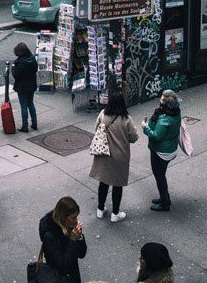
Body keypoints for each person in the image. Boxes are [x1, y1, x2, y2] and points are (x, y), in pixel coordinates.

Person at [89, 89, 139, 223]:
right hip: (120, 156)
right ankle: (115, 213)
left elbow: (96, 130)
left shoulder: (102, 114)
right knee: (117, 185)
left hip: (103, 154)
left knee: (103, 182)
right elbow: (134, 138)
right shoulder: (127, 119)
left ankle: (100, 210)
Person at [142, 88, 181, 213]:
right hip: (170, 149)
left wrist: (145, 127)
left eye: (161, 98)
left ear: (164, 103)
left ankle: (165, 204)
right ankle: (164, 198)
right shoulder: (175, 111)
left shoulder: (164, 118)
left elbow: (156, 136)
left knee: (159, 177)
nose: (159, 99)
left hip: (161, 152)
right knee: (161, 176)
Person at [38, 196, 87, 283]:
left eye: (76, 217)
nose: (76, 221)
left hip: (73, 275)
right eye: (73, 218)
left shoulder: (70, 227)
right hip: (58, 278)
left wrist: (79, 237)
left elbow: (81, 254)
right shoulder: (50, 236)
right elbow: (64, 266)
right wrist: (72, 240)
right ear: (63, 217)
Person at [11, 42, 38, 132]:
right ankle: (34, 123)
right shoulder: (32, 59)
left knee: (23, 106)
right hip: (32, 85)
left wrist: (13, 67)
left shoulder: (20, 63)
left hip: (22, 87)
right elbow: (35, 70)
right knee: (31, 104)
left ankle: (25, 126)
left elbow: (16, 75)